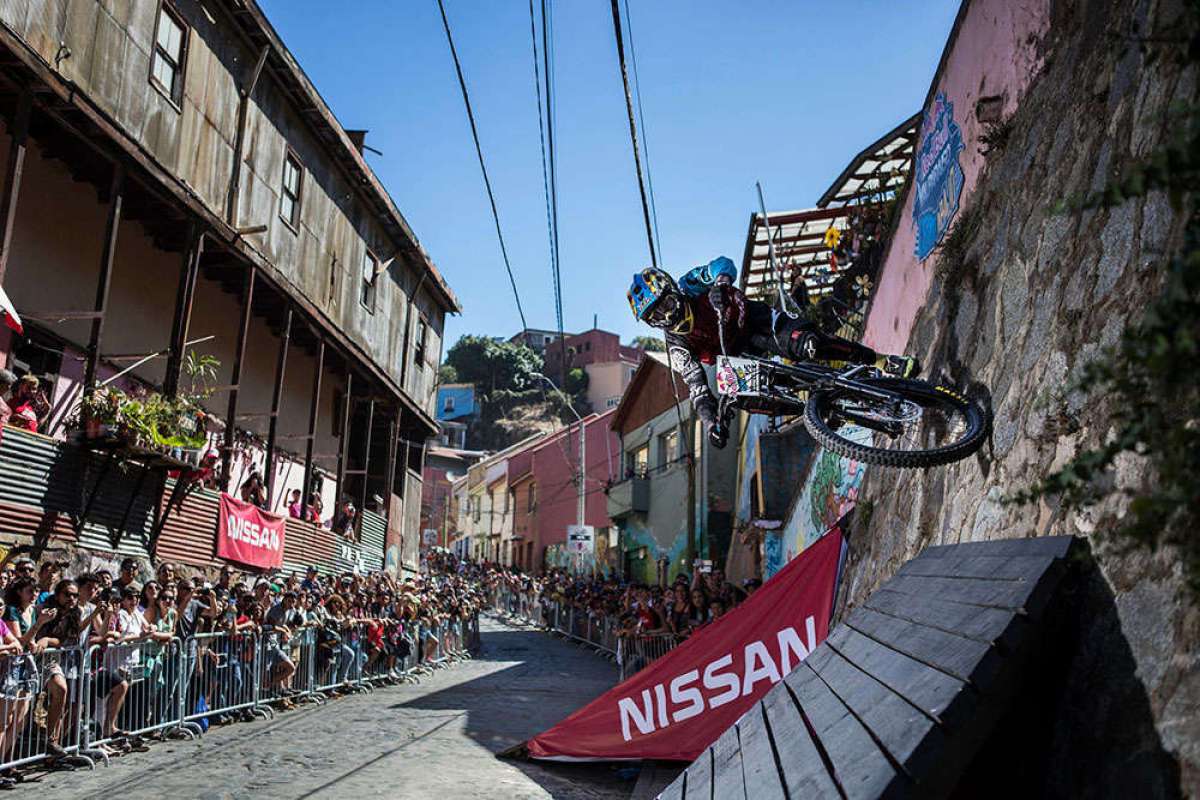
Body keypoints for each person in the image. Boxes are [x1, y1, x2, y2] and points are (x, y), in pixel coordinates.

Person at [626, 257, 919, 448]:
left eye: (663, 305)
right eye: (654, 317)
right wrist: (712, 423)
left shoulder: (689, 284)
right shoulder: (676, 347)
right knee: (745, 399)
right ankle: (825, 410)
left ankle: (882, 361)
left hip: (759, 323)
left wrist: (720, 284)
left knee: (809, 345)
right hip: (738, 355)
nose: (664, 316)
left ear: (670, 289)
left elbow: (722, 264)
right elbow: (698, 389)